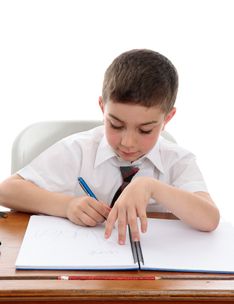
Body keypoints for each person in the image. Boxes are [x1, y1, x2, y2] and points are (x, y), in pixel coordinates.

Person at [0, 49, 220, 244]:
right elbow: (6, 191)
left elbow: (209, 219)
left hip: (152, 278)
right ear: (102, 107)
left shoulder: (177, 161)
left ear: (168, 119)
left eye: (145, 130)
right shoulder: (79, 150)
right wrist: (66, 205)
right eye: (115, 125)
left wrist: (150, 186)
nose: (127, 142)